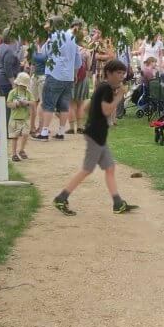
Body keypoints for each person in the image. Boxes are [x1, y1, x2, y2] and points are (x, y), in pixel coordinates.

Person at [53, 60, 137, 216]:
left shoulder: (104, 88)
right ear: (109, 73)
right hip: (95, 135)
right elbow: (106, 111)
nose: (121, 77)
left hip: (99, 134)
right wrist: (119, 96)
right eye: (118, 73)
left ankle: (117, 203)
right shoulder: (106, 88)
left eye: (122, 73)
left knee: (110, 168)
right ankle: (61, 197)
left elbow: (87, 107)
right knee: (86, 170)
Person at [33, 17, 81, 142]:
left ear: (53, 25)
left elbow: (44, 54)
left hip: (55, 74)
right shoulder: (72, 37)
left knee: (48, 104)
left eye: (48, 23)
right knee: (64, 105)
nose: (46, 25)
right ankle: (60, 132)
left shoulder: (53, 37)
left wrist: (40, 44)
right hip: (68, 77)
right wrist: (74, 74)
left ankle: (44, 133)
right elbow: (78, 60)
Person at [7, 72, 33, 162]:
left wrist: (27, 103)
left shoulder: (28, 93)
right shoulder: (12, 92)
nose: (23, 87)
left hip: (25, 118)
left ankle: (21, 149)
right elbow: (8, 104)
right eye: (22, 85)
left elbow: (33, 102)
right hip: (14, 118)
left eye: (25, 86)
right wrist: (16, 104)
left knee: (25, 134)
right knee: (14, 137)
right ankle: (14, 154)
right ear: (17, 83)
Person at [0, 30, 21, 99]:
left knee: (3, 103)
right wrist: (13, 84)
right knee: (8, 104)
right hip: (6, 81)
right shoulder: (9, 51)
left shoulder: (1, 47)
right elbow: (8, 69)